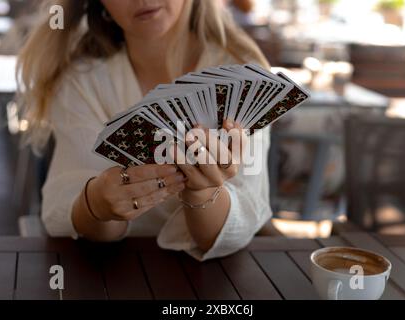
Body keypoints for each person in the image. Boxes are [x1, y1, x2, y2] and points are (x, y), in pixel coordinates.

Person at [17, 0, 272, 261]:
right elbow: (72, 211)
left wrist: (202, 191)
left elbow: (239, 225)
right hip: (108, 270)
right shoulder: (81, 82)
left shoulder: (243, 76)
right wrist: (98, 204)